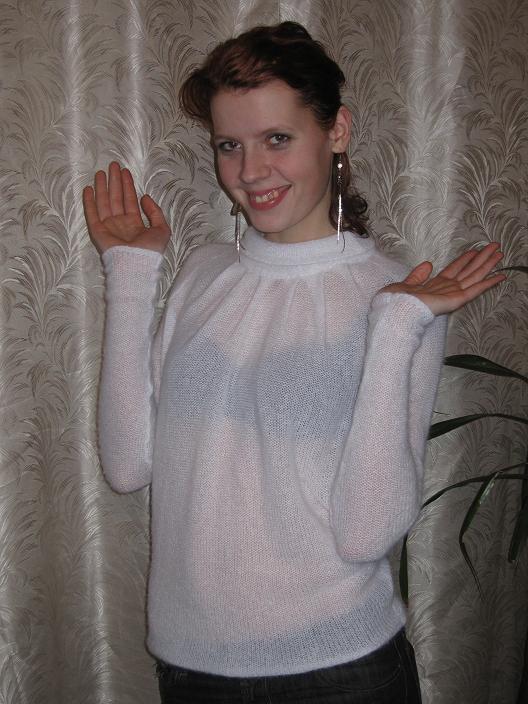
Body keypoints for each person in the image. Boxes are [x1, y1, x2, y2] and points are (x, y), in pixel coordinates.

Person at [82, 21, 505, 704]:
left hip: (340, 671)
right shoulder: (202, 273)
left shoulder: (397, 297)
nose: (250, 171)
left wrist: (396, 327)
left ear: (337, 131)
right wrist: (130, 271)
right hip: (192, 670)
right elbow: (128, 466)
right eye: (230, 145)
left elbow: (367, 532)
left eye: (277, 138)